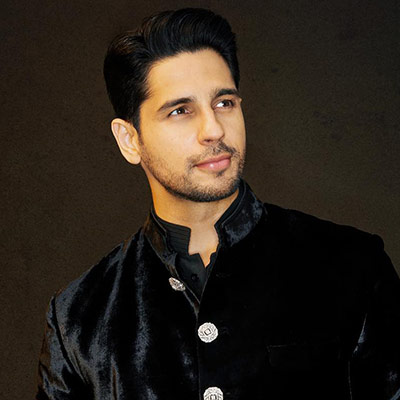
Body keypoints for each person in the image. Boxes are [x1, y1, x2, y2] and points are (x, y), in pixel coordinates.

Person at [36, 7, 400, 400]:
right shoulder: (80, 317)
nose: (213, 129)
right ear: (130, 140)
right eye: (180, 111)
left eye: (224, 102)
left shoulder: (352, 265)